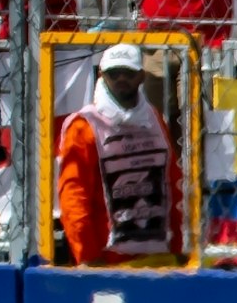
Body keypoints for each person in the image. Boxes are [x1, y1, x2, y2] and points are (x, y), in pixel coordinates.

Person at [52, 41, 178, 267]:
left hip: (158, 258)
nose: (121, 79)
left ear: (141, 76)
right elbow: (73, 197)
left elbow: (173, 184)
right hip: (105, 262)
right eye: (114, 73)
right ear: (102, 74)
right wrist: (88, 258)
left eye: (128, 73)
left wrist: (179, 247)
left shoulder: (154, 119)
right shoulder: (83, 126)